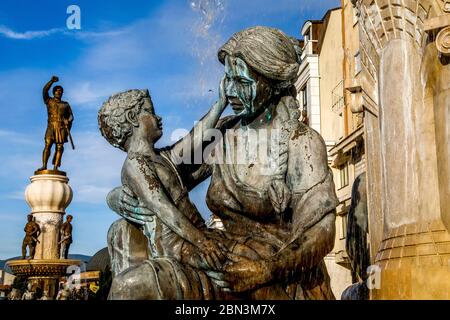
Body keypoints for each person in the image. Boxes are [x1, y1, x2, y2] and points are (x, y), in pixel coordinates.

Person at [107, 26, 339, 300]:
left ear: (272, 81)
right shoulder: (224, 135)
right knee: (121, 235)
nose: (230, 92)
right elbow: (164, 173)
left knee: (133, 287)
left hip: (274, 274)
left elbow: (321, 232)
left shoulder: (301, 142)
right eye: (227, 80)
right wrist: (118, 196)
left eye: (241, 82)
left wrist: (265, 270)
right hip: (224, 255)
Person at [38, 76, 74, 172]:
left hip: (61, 127)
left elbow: (71, 116)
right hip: (51, 126)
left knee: (59, 147)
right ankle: (44, 166)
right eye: (57, 90)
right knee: (48, 144)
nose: (59, 92)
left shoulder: (65, 104)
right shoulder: (49, 101)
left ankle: (55, 167)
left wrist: (68, 120)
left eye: (60, 91)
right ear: (54, 92)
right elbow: (44, 91)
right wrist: (51, 81)